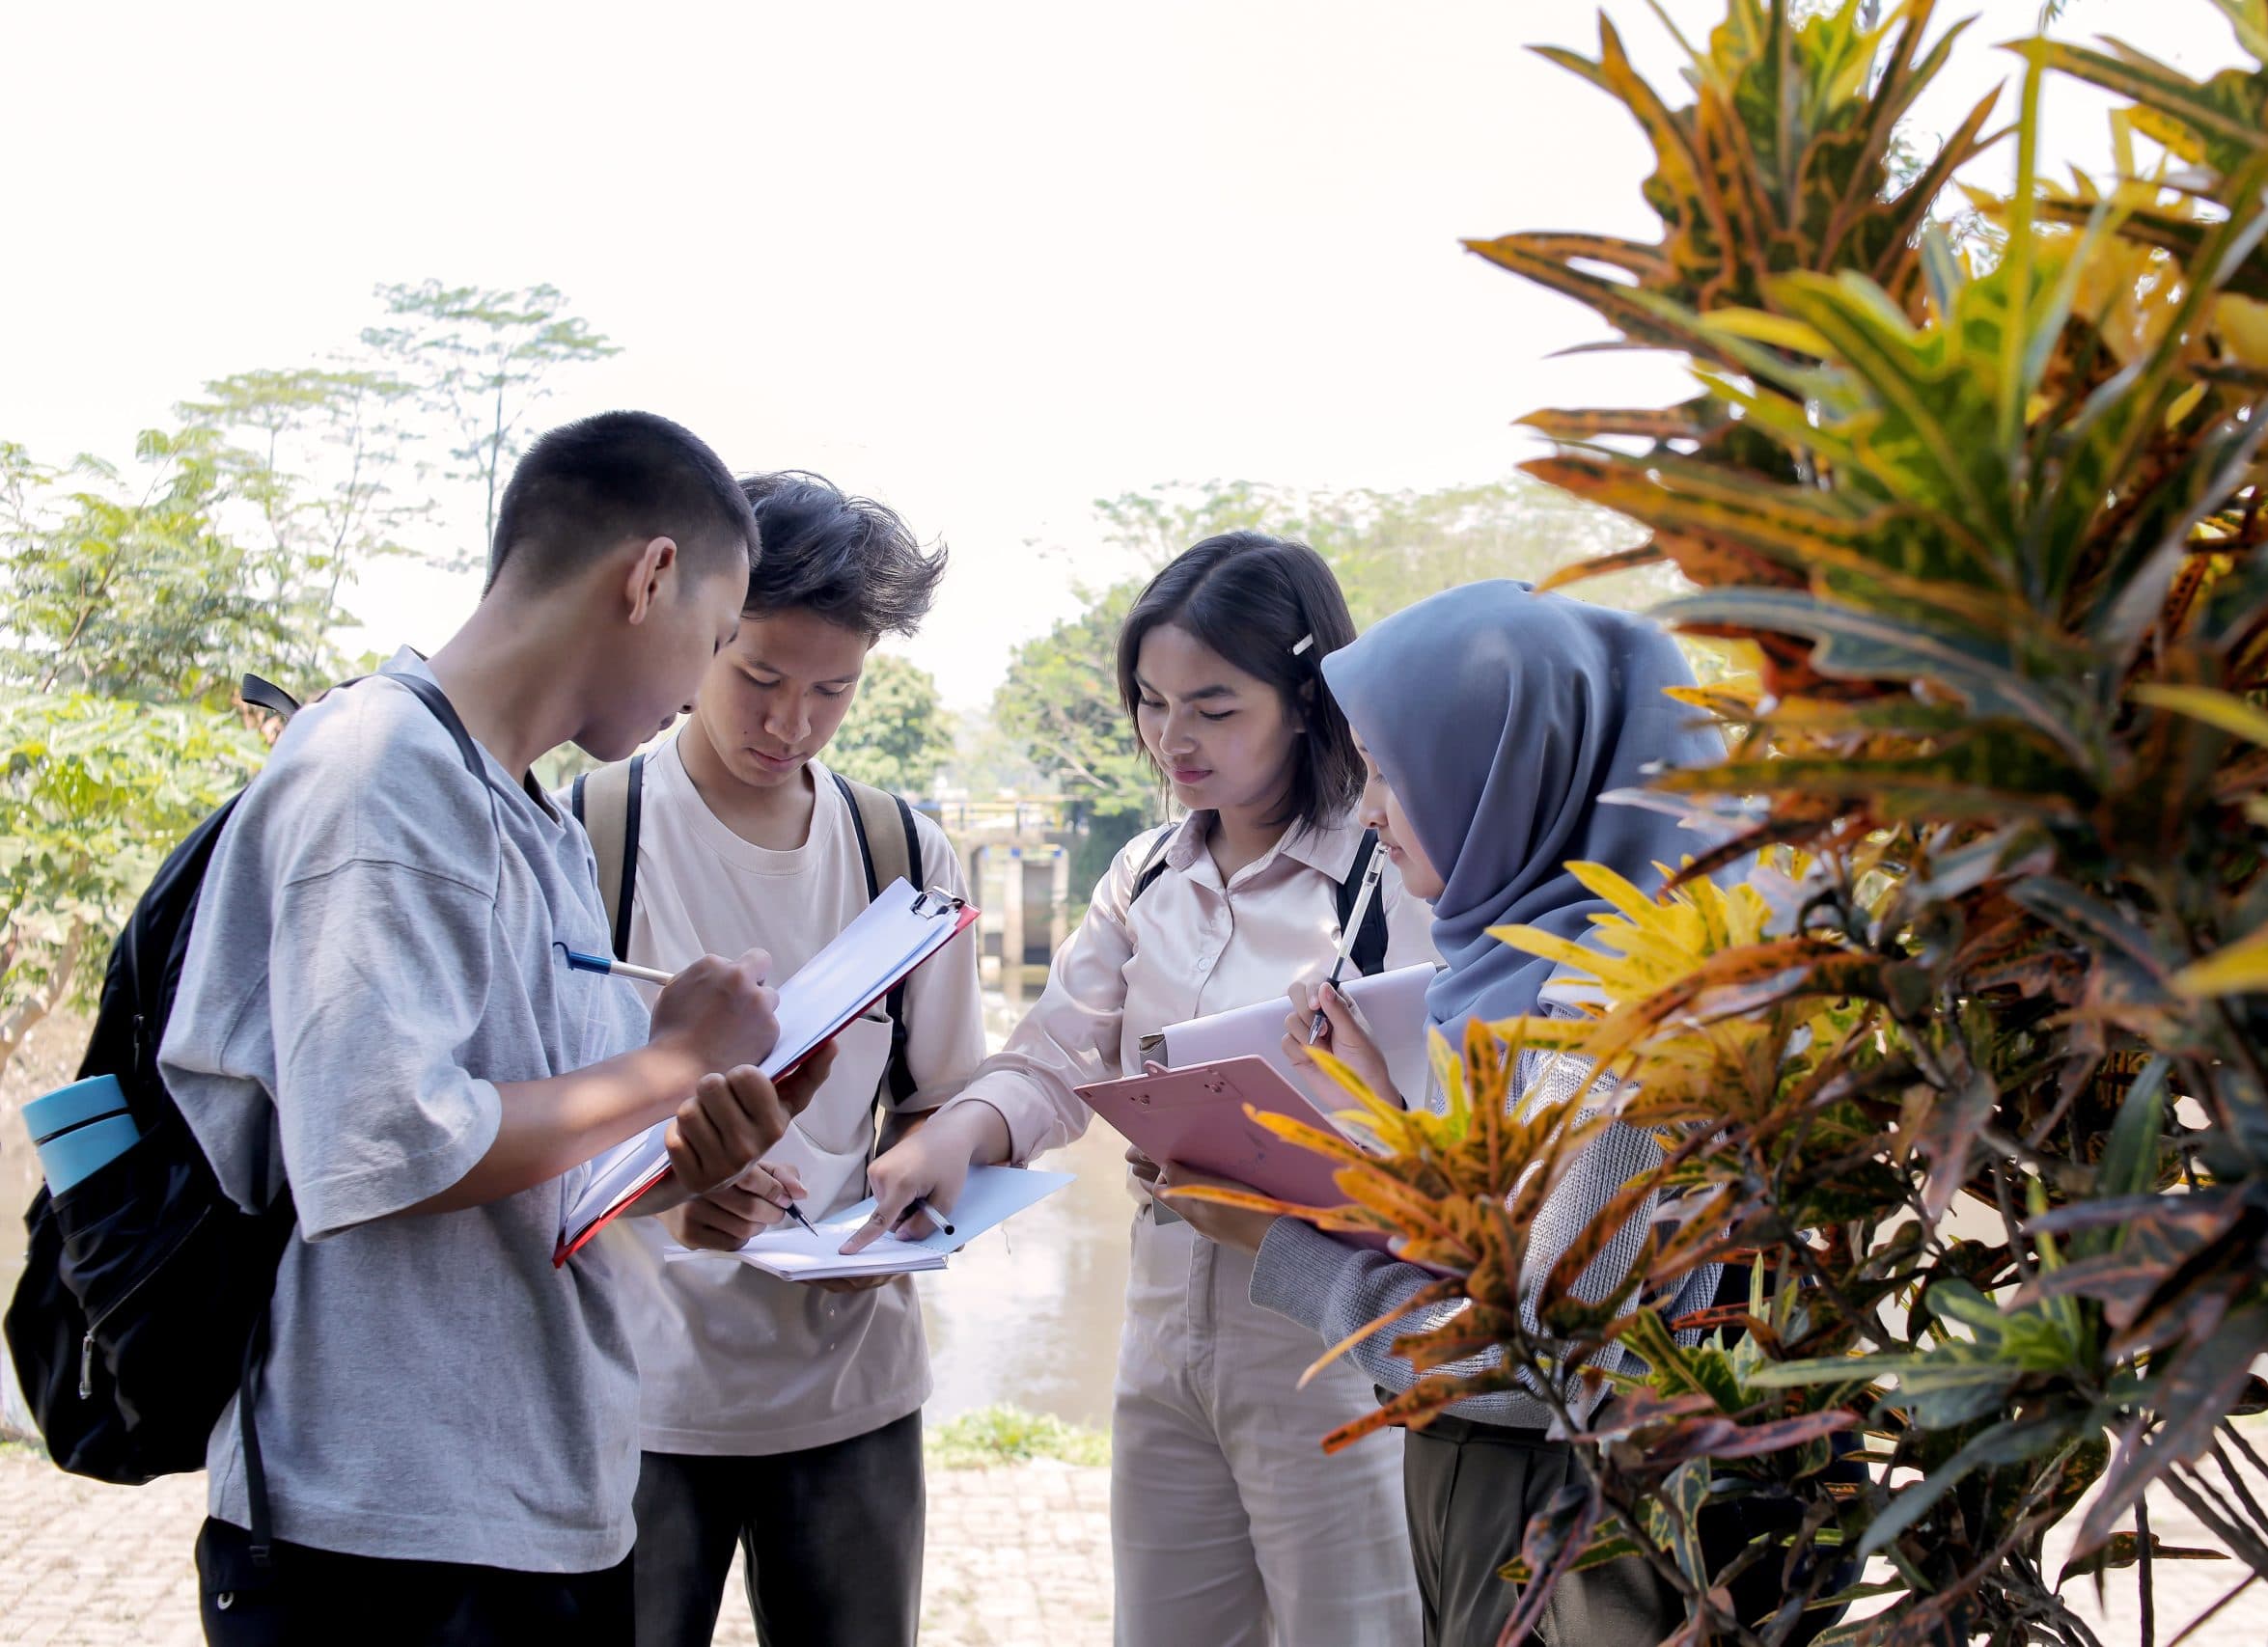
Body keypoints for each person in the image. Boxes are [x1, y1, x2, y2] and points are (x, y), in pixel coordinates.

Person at [159, 411, 834, 1645]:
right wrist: (673, 1058)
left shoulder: (532, 820)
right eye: (721, 638)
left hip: (537, 1499)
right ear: (651, 576)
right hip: (388, 1532)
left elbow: (532, 1146)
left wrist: (690, 1175)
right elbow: (387, 1143)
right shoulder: (378, 772)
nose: (703, 680)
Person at [855, 532, 1430, 1646]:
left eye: (1215, 708)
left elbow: (1451, 1131)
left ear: (1308, 702)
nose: (1174, 740)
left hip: (1329, 1341)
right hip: (1164, 1326)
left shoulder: (1386, 877)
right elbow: (1053, 1056)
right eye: (1152, 703)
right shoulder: (1148, 874)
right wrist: (958, 1134)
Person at [1168, 580, 1731, 1647]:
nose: (1370, 812)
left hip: (1575, 1543)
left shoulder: (1612, 1020)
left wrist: (1280, 1247)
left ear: (1507, 777)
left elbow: (1534, 1367)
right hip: (1511, 1520)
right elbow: (1513, 1245)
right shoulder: (1529, 970)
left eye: (1392, 773)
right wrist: (1372, 1101)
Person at [588, 472, 979, 1647]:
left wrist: (914, 1197)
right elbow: (531, 1129)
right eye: (757, 675)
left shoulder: (903, 854)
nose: (788, 722)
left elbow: (943, 1101)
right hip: (639, 1394)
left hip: (852, 1389)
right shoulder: (591, 837)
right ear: (703, 631)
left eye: (832, 691)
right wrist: (667, 1189)